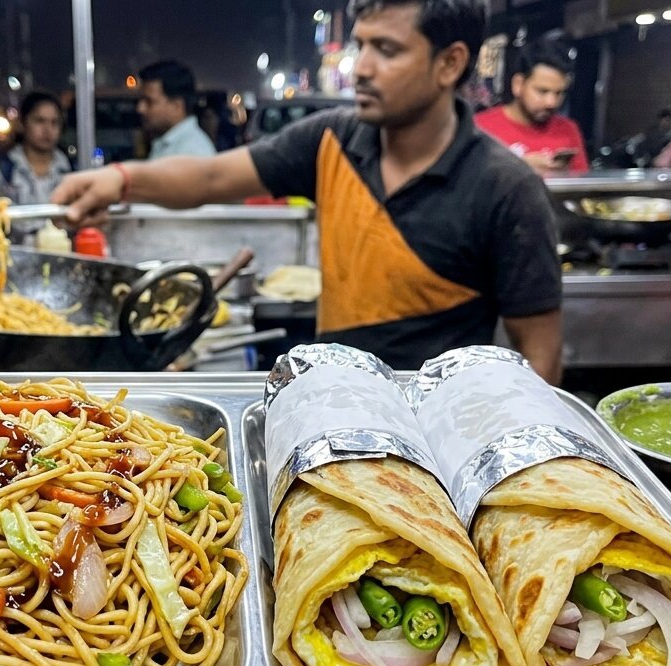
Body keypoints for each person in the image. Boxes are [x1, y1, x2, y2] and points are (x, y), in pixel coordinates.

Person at [53, 0, 562, 381]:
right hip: (336, 406)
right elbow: (212, 177)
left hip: (441, 435)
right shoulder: (332, 140)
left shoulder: (507, 189)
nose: (361, 68)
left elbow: (540, 357)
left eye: (386, 50)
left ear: (450, 63)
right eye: (361, 45)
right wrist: (121, 180)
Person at [474, 40, 588, 173]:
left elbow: (582, 181)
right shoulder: (479, 128)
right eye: (542, 91)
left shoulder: (568, 130)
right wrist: (520, 167)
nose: (551, 102)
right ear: (518, 84)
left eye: (559, 93)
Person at [0, 92, 72, 243]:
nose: (47, 129)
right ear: (22, 124)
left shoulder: (68, 172)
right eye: (39, 121)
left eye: (54, 122)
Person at [137, 60, 216, 159]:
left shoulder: (192, 151)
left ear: (176, 106)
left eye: (149, 102)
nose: (140, 109)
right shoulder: (169, 144)